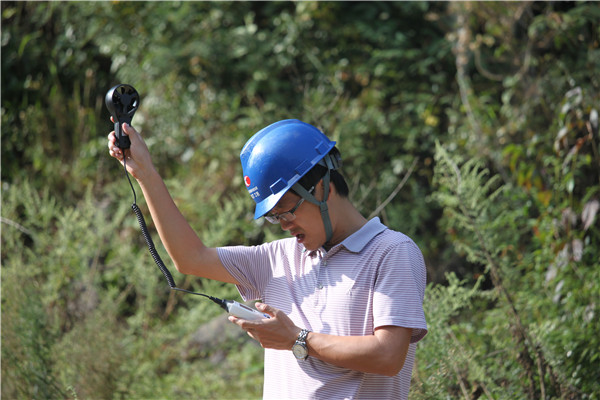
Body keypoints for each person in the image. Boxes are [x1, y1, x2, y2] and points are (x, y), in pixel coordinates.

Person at [108, 119, 427, 399]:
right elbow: (190, 258)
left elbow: (388, 356)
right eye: (274, 218)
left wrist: (296, 339)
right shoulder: (278, 258)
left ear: (320, 188)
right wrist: (145, 173)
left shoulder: (392, 252)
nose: (284, 225)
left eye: (286, 210)